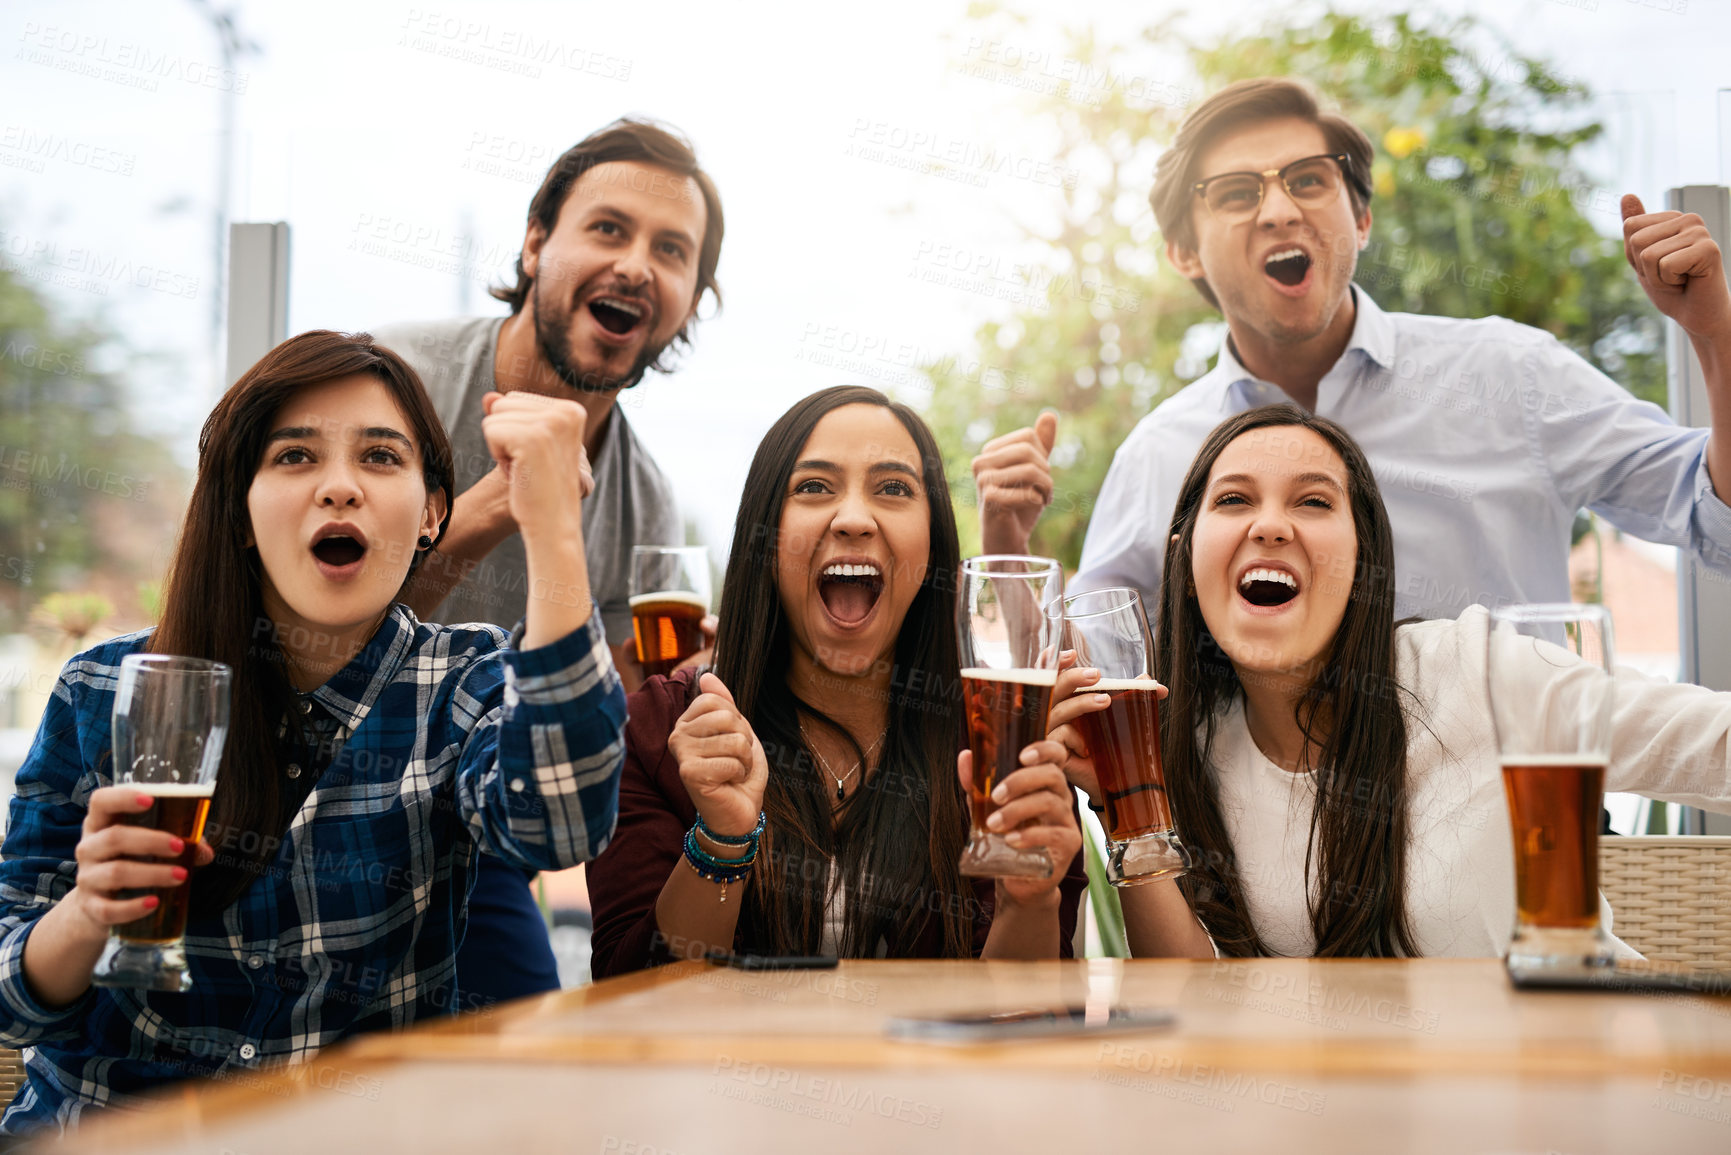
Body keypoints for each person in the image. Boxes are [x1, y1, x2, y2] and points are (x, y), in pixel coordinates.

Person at [0, 331, 625, 1137]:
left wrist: (553, 534)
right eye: (295, 458)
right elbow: (13, 1001)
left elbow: (564, 821)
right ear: (241, 507)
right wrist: (87, 913)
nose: (340, 487)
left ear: (434, 511)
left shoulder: (461, 682)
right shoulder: (100, 690)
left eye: (380, 458)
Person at [973, 77, 1731, 622]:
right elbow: (1096, 680)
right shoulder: (1158, 454)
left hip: (1523, 834)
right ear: (1183, 253)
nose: (1277, 210)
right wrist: (1006, 551)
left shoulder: (1509, 373)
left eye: (1308, 180)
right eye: (1236, 193)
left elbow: (1712, 523)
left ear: (1360, 218)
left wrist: (1714, 334)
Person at [1047, 405, 1731, 958]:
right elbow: (1195, 1000)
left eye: (1313, 501)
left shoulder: (1479, 669)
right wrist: (1124, 808)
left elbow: (1714, 745)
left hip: (1574, 1083)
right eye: (1233, 499)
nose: (1270, 524)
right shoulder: (1186, 748)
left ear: (1361, 557)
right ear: (1186, 559)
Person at [373, 117, 724, 1003]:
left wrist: (661, 690)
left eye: (672, 249)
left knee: (539, 1062)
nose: (638, 264)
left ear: (688, 297)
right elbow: (297, 628)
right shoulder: (394, 382)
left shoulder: (644, 501)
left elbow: (575, 761)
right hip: (322, 797)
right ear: (535, 244)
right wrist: (497, 511)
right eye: (608, 228)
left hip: (480, 839)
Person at [587, 387, 1087, 974]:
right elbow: (632, 1001)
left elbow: (1022, 1025)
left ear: (933, 545)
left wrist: (1028, 899)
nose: (853, 518)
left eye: (894, 488)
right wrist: (720, 840)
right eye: (814, 487)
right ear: (765, 537)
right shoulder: (659, 729)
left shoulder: (996, 740)